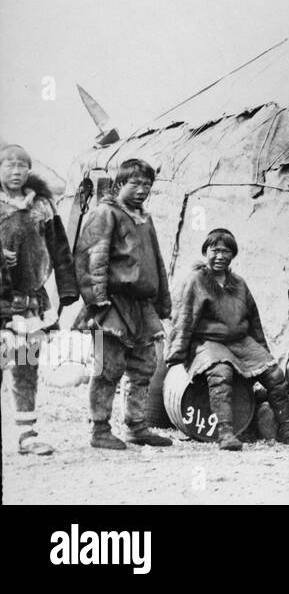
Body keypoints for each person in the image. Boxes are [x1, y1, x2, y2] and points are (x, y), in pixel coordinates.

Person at [166, 228, 289, 450]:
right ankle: (225, 433)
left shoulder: (239, 283)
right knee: (221, 373)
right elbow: (184, 316)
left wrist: (264, 354)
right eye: (214, 250)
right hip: (208, 341)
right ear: (206, 252)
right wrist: (177, 353)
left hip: (239, 341)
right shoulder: (196, 281)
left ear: (233, 255)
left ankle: (287, 429)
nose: (220, 256)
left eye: (226, 251)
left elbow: (253, 319)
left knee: (275, 374)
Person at [73, 158, 174, 450]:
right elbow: (92, 256)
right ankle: (100, 429)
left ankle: (136, 426)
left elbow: (156, 261)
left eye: (147, 185)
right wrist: (97, 300)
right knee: (109, 367)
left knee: (144, 365)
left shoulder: (145, 218)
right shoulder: (105, 213)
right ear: (120, 184)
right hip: (111, 304)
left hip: (141, 306)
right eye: (136, 183)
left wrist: (162, 303)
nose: (142, 189)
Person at [0, 144, 78, 455]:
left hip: (28, 302)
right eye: (8, 164)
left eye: (21, 165)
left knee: (25, 365)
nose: (15, 171)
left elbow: (60, 250)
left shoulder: (43, 206)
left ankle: (27, 435)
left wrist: (69, 289)